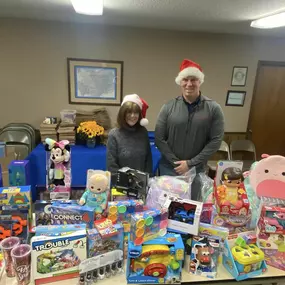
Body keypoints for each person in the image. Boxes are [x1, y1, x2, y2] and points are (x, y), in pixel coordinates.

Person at [155, 59, 225, 200]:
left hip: (196, 171)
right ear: (180, 82)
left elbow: (216, 141)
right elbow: (159, 138)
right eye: (185, 79)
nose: (189, 84)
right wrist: (177, 163)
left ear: (200, 81)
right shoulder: (168, 107)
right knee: (165, 208)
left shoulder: (213, 109)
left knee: (189, 210)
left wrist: (190, 163)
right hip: (169, 169)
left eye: (193, 79)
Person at [107, 94, 152, 176]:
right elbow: (111, 166)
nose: (132, 116)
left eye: (136, 113)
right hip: (121, 184)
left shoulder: (143, 132)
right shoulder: (114, 135)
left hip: (141, 183)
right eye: (129, 112)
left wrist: (146, 180)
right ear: (122, 114)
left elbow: (148, 161)